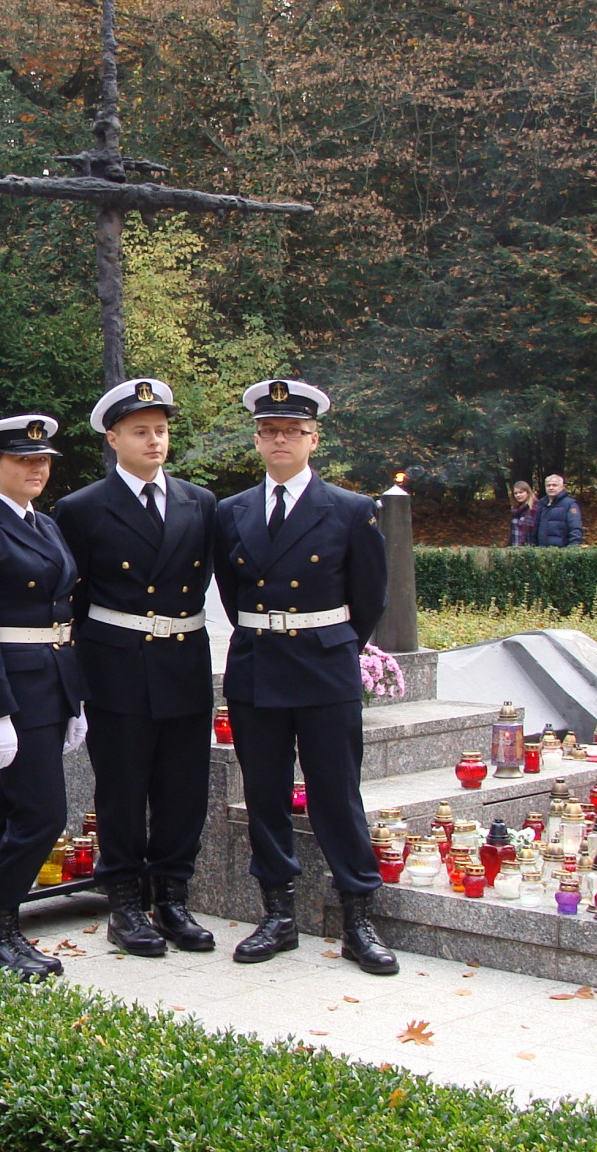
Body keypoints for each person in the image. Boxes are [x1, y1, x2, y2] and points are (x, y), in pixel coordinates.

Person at [213, 379, 395, 975]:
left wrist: (332, 643)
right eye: (269, 430)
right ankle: (278, 914)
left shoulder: (350, 509)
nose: (281, 439)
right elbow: (233, 589)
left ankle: (358, 919)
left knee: (336, 794)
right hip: (258, 667)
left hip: (323, 667)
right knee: (264, 794)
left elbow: (368, 600)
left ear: (314, 438)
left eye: (293, 430)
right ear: (257, 440)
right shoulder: (231, 511)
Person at [53, 378, 219, 958]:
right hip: (117, 663)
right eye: (141, 431)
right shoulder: (80, 508)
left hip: (183, 660)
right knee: (123, 789)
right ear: (113, 437)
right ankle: (124, 902)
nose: (154, 441)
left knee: (183, 790)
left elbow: (197, 585)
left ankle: (172, 897)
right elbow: (69, 598)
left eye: (162, 431)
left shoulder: (200, 502)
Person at [0, 414, 86, 978]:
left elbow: (62, 614)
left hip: (52, 683)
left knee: (13, 814)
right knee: (43, 814)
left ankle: (4, 932)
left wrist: (74, 699)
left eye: (43, 461)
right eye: (24, 461)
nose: (37, 469)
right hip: (15, 687)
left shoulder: (46, 524)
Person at [533, 473, 583, 547]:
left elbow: (575, 529)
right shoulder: (541, 504)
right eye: (548, 485)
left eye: (554, 485)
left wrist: (572, 549)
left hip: (561, 552)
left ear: (562, 487)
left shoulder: (570, 504)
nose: (551, 488)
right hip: (542, 551)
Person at [509, 480, 539, 546]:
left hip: (529, 548)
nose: (518, 495)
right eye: (515, 493)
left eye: (521, 492)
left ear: (528, 492)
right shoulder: (515, 510)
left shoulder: (535, 508)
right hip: (514, 547)